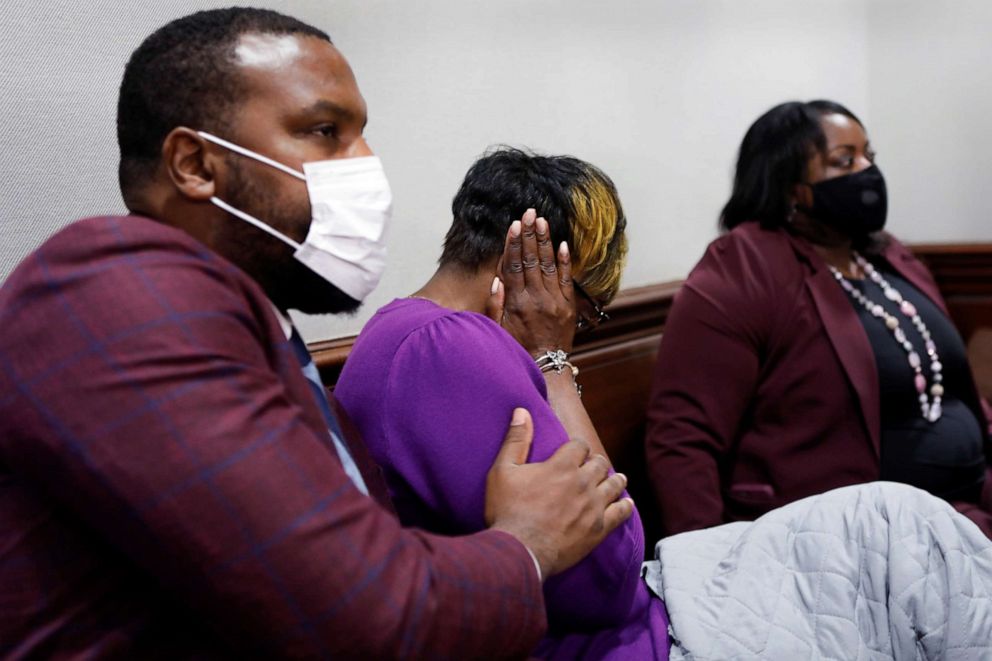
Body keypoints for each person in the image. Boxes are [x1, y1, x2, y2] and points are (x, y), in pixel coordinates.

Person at [0, 9, 634, 658]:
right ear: (194, 164)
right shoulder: (119, 293)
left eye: (362, 136)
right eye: (324, 132)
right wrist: (527, 543)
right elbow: (370, 616)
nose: (365, 167)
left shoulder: (238, 316)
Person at [336, 148, 671, 659]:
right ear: (528, 267)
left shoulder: (401, 325)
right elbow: (610, 572)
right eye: (578, 310)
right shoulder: (448, 347)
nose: (568, 323)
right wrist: (551, 359)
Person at [645, 100, 992, 538]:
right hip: (849, 539)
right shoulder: (746, 265)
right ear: (790, 186)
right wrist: (702, 566)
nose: (867, 171)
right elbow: (684, 434)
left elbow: (952, 385)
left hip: (964, 507)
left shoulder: (888, 257)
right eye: (844, 161)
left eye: (870, 157)